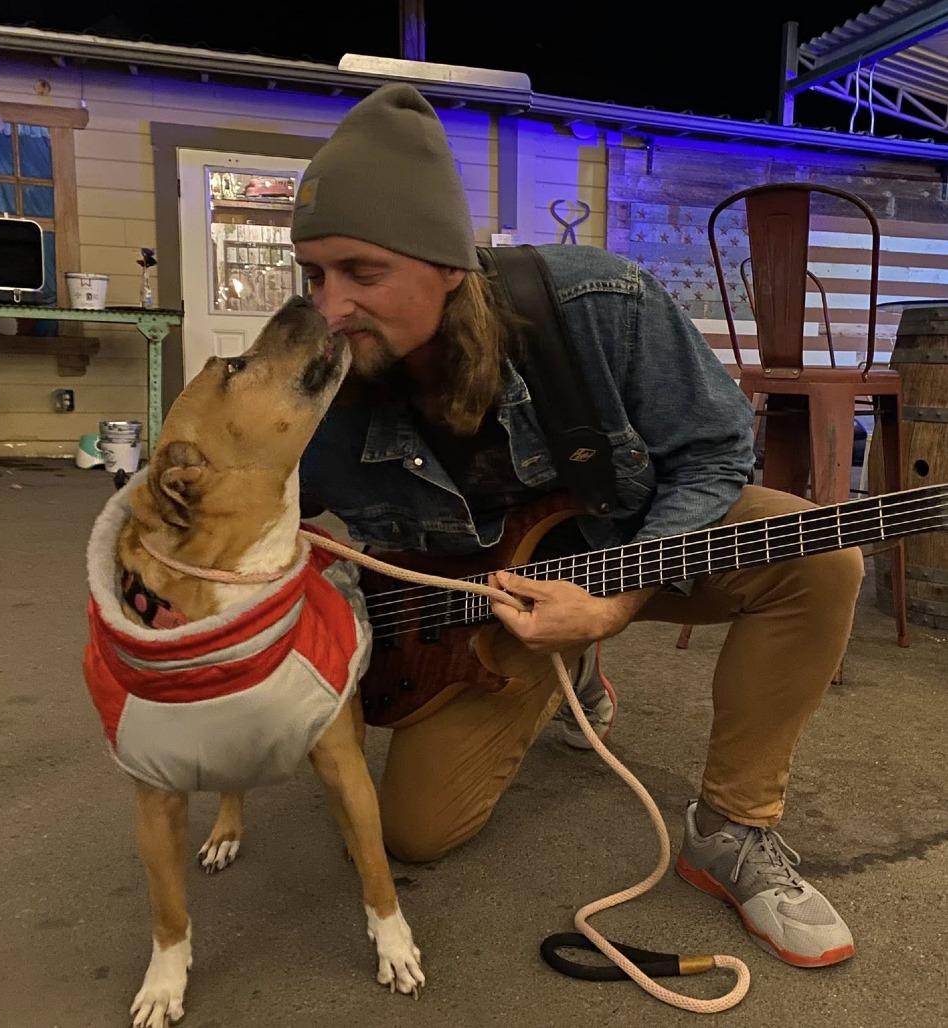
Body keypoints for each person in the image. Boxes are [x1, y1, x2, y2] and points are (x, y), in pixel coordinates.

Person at [291, 82, 863, 968]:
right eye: (313, 274)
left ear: (448, 265)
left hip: (625, 547)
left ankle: (730, 830)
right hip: (477, 606)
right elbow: (251, 518)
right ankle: (566, 679)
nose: (329, 307)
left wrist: (615, 599)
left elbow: (713, 453)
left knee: (817, 553)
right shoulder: (314, 373)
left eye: (362, 274)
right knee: (413, 833)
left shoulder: (600, 301)